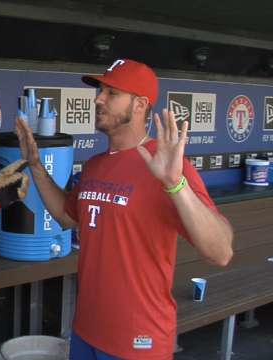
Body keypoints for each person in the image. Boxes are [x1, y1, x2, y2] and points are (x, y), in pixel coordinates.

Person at [15, 59, 233, 360]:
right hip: (86, 330)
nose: (98, 99)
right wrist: (36, 165)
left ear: (141, 104)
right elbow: (67, 217)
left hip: (138, 340)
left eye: (112, 93)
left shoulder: (167, 166)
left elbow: (221, 252)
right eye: (100, 91)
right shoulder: (96, 165)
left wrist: (175, 184)